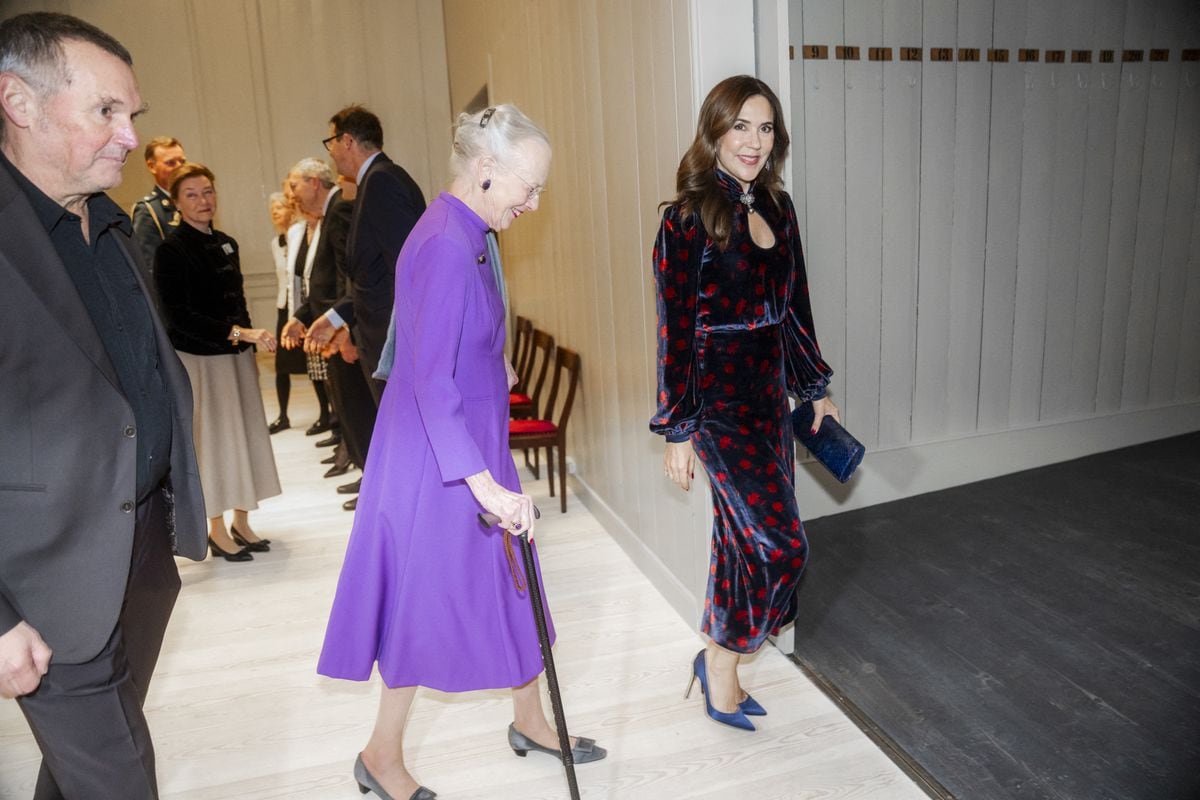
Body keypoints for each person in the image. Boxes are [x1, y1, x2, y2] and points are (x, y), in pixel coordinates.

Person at [318, 104, 605, 800]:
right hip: (443, 459)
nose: (534, 204)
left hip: (469, 439)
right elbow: (427, 377)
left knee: (511, 580)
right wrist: (483, 485)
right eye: (527, 188)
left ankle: (531, 719)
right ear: (484, 169)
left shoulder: (467, 228)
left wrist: (494, 361)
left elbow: (444, 334)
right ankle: (380, 755)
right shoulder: (447, 240)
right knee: (425, 604)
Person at [0, 12, 207, 798]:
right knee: (122, 776)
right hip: (43, 580)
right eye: (105, 112)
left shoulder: (111, 224)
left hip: (141, 553)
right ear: (18, 103)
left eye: (132, 115)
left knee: (83, 765)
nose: (128, 136)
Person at [651, 75, 840, 731]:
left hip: (768, 398)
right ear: (715, 132)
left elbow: (796, 311)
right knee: (783, 547)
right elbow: (673, 331)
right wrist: (678, 428)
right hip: (717, 404)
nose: (754, 142)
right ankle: (726, 656)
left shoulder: (780, 210)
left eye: (765, 129)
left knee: (739, 546)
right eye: (741, 127)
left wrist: (816, 389)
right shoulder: (684, 220)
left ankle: (719, 674)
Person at [154, 162, 282, 561]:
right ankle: (214, 528)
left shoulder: (227, 241)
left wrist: (243, 338)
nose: (203, 200)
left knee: (244, 437)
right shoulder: (171, 250)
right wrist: (241, 334)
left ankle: (242, 521)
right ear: (176, 202)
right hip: (200, 359)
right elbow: (180, 316)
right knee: (213, 442)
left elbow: (236, 301)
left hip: (236, 355)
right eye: (191, 194)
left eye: (208, 191)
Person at [306, 105, 425, 402]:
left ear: (347, 140)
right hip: (384, 334)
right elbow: (371, 271)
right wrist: (335, 317)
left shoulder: (382, 181)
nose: (330, 152)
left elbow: (405, 266)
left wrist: (408, 340)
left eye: (331, 142)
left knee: (405, 429)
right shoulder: (375, 179)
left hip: (393, 338)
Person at [267, 190, 317, 434]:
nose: (276, 213)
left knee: (313, 362)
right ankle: (283, 415)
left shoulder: (302, 233)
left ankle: (327, 414)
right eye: (272, 210)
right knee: (281, 365)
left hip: (301, 305)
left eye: (280, 207)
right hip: (282, 306)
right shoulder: (275, 243)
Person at [130, 135, 186, 275]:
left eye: (182, 162)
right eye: (171, 163)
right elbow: (151, 268)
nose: (179, 167)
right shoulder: (148, 210)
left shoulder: (192, 203)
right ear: (151, 166)